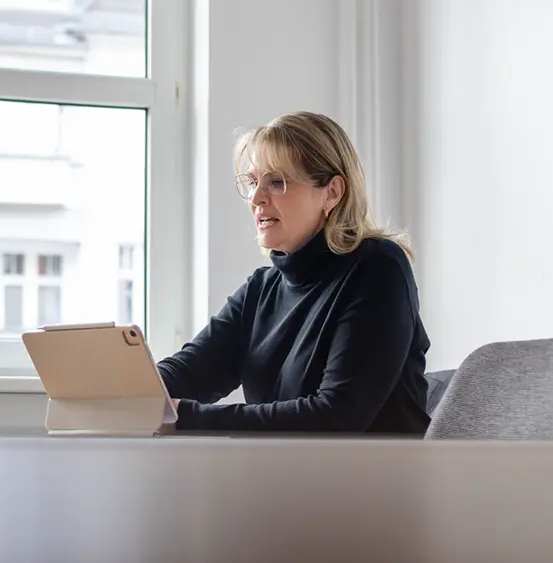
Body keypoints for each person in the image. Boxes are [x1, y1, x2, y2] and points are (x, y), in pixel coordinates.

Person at [158, 111, 430, 434]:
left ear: (331, 192)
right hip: (287, 478)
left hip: (370, 481)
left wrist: (184, 416)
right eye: (252, 182)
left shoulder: (379, 269)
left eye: (276, 182)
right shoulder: (262, 289)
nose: (256, 198)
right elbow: (189, 372)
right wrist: (124, 389)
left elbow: (335, 416)